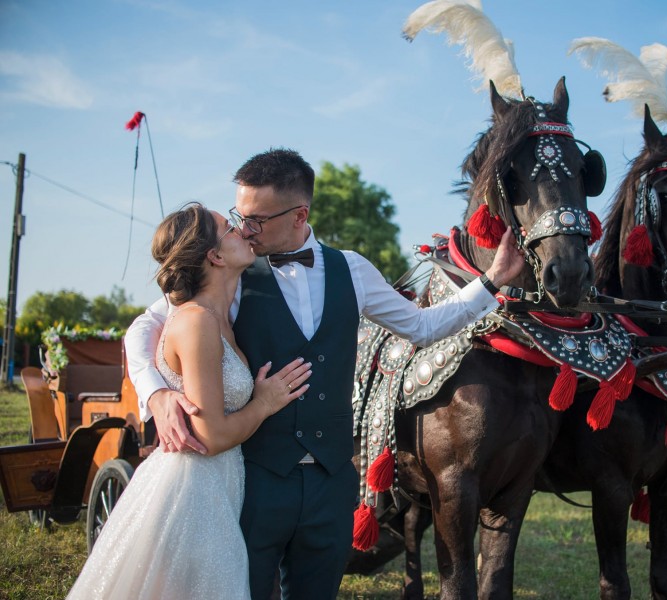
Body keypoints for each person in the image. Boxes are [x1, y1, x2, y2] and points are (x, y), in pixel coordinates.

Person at [125, 148, 525, 599]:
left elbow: (422, 326)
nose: (243, 228)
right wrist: (156, 392)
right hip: (256, 482)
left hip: (332, 486)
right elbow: (146, 327)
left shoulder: (351, 269)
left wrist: (491, 280)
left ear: (300, 214)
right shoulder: (226, 273)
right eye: (239, 216)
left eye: (256, 219)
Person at [68, 203, 312, 599]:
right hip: (192, 493)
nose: (244, 232)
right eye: (230, 228)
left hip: (219, 486)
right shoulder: (196, 319)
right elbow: (211, 435)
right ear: (215, 256)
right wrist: (265, 403)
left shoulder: (220, 318)